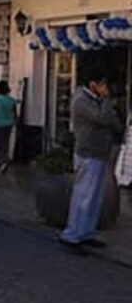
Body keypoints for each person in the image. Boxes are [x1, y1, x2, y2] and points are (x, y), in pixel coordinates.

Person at [59, 72, 124, 251]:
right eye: (103, 85)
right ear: (93, 83)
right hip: (88, 153)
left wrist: (107, 107)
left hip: (101, 152)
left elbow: (115, 123)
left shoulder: (98, 101)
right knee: (83, 195)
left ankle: (86, 232)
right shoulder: (81, 100)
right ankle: (72, 234)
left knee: (94, 197)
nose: (106, 89)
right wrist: (106, 100)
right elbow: (102, 118)